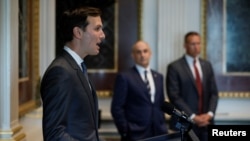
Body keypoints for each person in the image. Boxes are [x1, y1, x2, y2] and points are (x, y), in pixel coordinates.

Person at [40, 6, 105, 141]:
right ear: (78, 33)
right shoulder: (60, 72)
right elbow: (54, 134)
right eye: (97, 28)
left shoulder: (77, 67)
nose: (102, 35)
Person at [166, 31, 218, 141]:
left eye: (198, 43)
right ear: (185, 46)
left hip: (206, 124)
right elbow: (174, 96)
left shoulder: (207, 65)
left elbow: (214, 93)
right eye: (193, 44)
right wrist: (193, 117)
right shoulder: (174, 67)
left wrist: (209, 114)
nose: (196, 47)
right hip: (184, 125)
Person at [111, 40, 168, 141]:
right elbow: (116, 107)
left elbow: (160, 104)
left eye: (145, 51)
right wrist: (125, 130)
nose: (142, 55)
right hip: (135, 134)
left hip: (158, 132)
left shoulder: (158, 77)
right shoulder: (124, 77)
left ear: (150, 54)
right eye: (138, 52)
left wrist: (162, 125)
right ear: (133, 55)